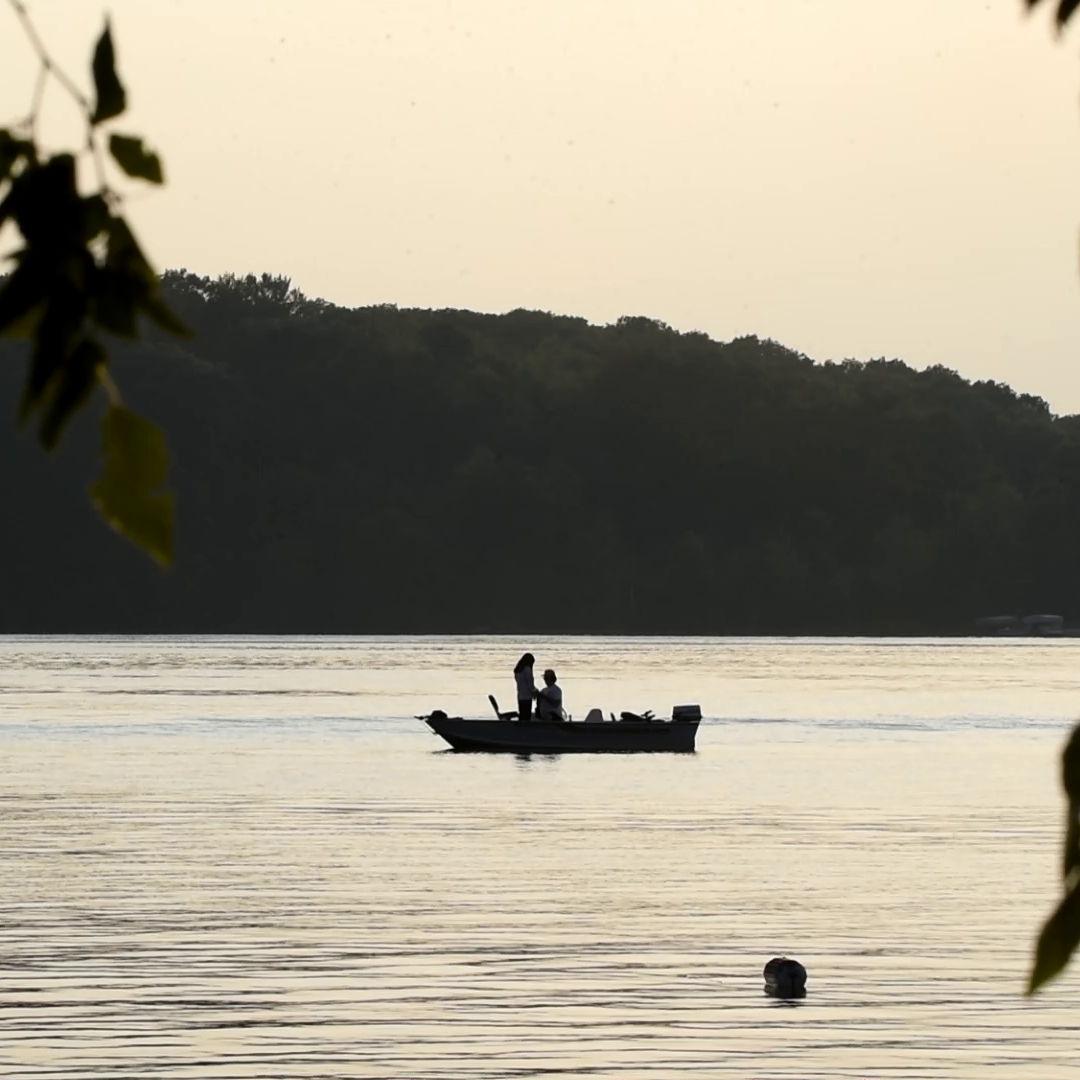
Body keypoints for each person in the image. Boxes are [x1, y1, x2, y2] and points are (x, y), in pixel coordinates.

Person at [514, 653, 535, 721]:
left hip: (520, 695)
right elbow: (530, 685)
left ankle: (520, 729)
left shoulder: (518, 671)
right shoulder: (527, 669)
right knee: (527, 716)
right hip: (527, 696)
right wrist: (535, 692)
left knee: (522, 715)